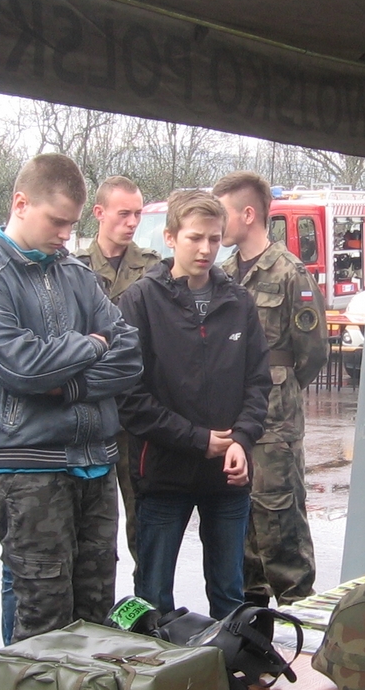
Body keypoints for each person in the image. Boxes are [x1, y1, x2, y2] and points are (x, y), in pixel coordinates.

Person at [0, 153, 142, 690]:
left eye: (72, 225)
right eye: (57, 223)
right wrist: (88, 348)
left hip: (93, 458)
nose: (67, 236)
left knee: (94, 609)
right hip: (26, 464)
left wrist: (69, 376)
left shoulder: (76, 273)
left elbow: (131, 356)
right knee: (43, 612)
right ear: (21, 203)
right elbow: (20, 367)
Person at [116, 190, 271, 619]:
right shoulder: (139, 301)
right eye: (195, 238)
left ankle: (230, 659)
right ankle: (154, 660)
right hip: (164, 473)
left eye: (215, 239)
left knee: (229, 595)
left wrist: (241, 439)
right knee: (152, 598)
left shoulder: (238, 302)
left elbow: (258, 382)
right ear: (170, 238)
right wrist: (196, 439)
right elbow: (130, 397)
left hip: (227, 476)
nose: (206, 249)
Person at [213, 171, 327, 606]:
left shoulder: (289, 272)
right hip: (232, 417)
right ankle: (251, 620)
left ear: (248, 214)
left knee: (280, 518)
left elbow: (312, 352)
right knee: (240, 524)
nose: (216, 224)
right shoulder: (223, 274)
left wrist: (280, 387)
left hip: (275, 421)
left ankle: (300, 611)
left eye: (222, 213)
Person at [77, 175, 161, 570]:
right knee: (92, 526)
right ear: (99, 213)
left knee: (144, 519)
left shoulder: (154, 268)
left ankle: (149, 596)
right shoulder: (74, 268)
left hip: (138, 411)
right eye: (123, 213)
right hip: (90, 409)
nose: (132, 222)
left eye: (138, 214)